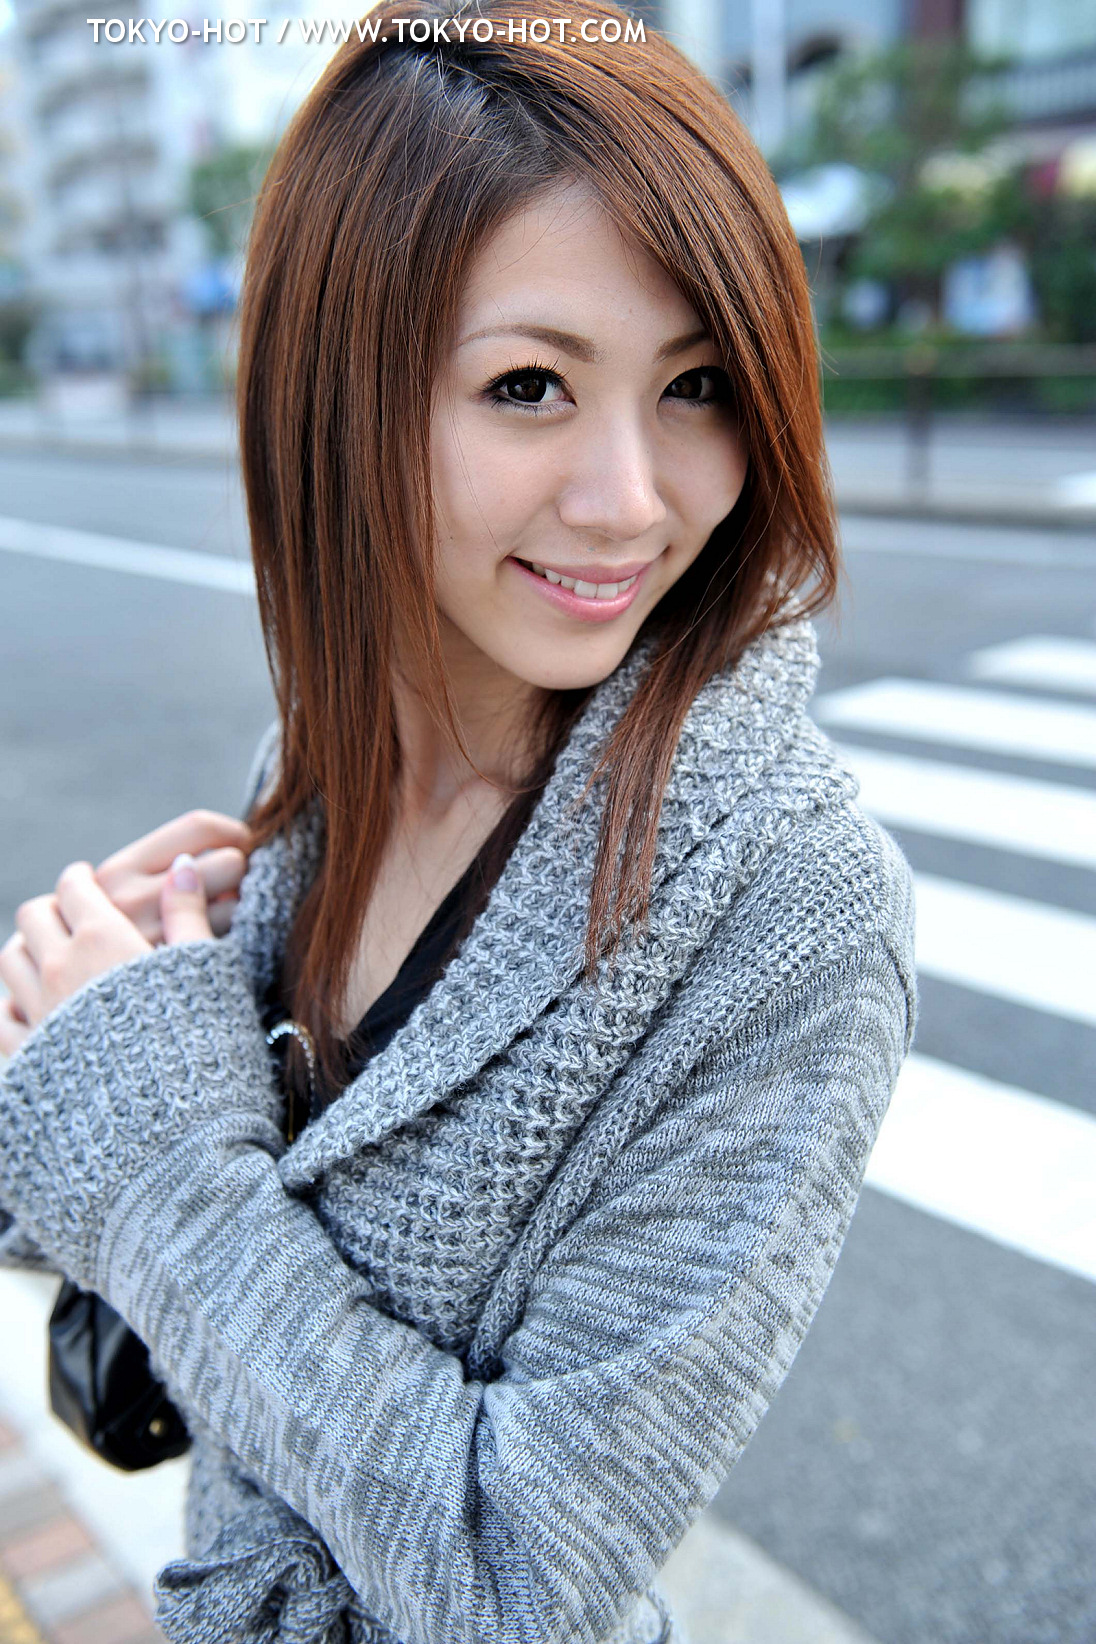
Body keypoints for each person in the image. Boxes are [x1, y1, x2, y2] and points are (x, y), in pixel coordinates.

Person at [0, 2, 917, 1640]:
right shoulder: (337, 750)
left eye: (698, 384)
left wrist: (153, 1161)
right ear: (336, 399)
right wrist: (78, 1035)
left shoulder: (793, 905)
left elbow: (520, 1577)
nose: (632, 498)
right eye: (529, 387)